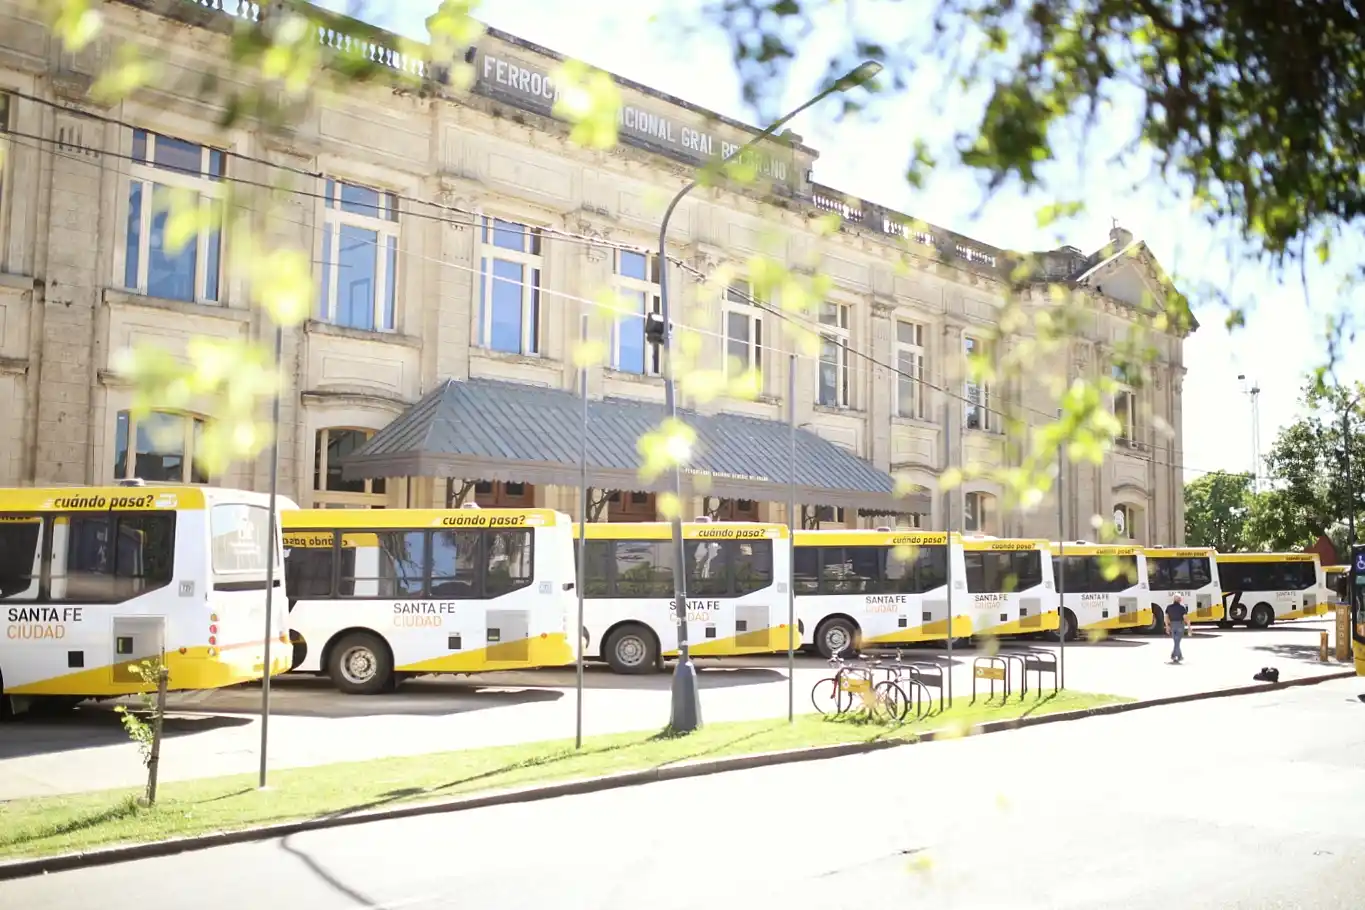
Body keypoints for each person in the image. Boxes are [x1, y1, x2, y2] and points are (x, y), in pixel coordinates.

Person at [1165, 594, 1190, 663]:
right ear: (1180, 600)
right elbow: (1185, 618)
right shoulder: (1182, 607)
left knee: (1176, 641)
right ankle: (1176, 656)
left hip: (1172, 625)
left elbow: (1166, 617)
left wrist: (1167, 626)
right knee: (1177, 642)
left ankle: (1177, 656)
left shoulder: (1169, 607)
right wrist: (1189, 627)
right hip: (1180, 625)